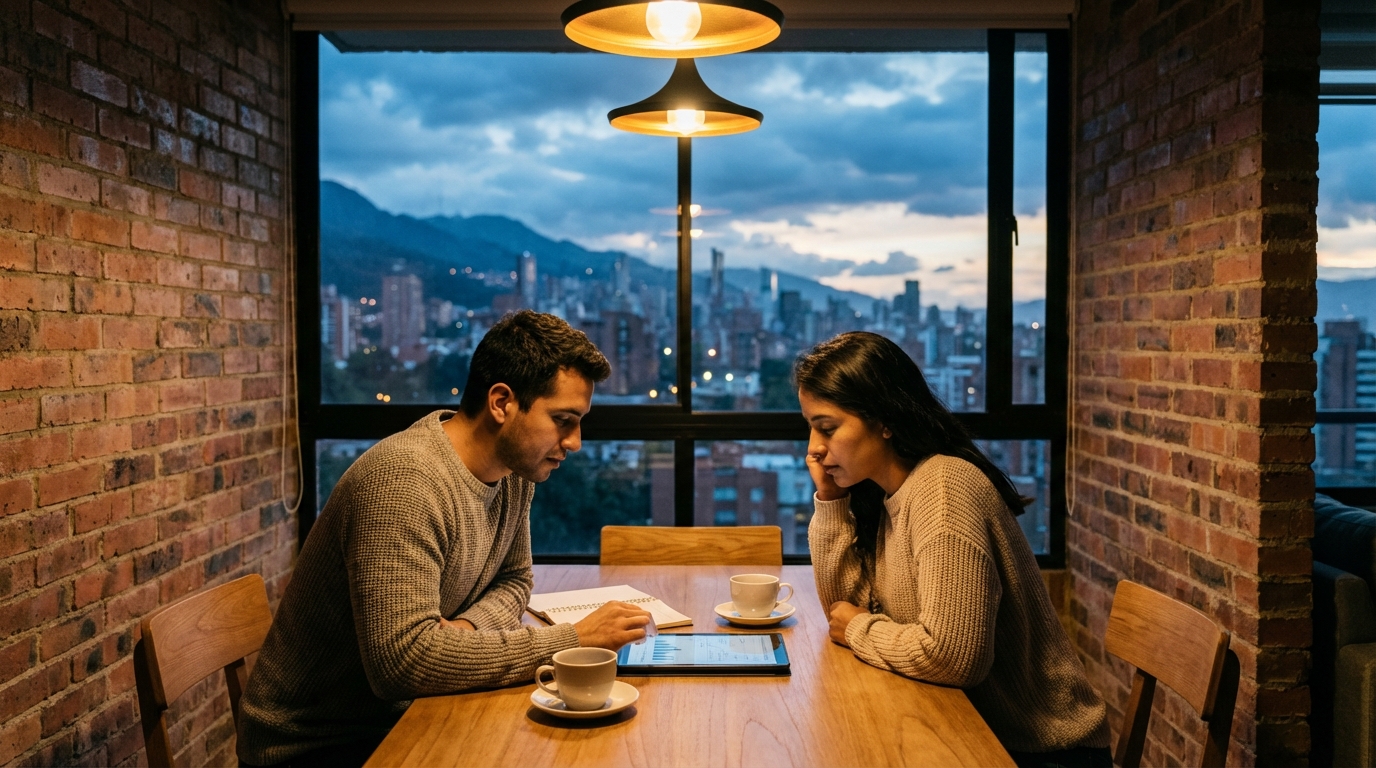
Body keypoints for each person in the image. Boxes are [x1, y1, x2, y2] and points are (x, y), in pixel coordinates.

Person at [237, 311, 652, 768]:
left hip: (408, 715)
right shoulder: (404, 482)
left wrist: (463, 634)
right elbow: (405, 663)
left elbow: (515, 581)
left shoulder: (515, 473)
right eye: (563, 420)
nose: (574, 442)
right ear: (501, 403)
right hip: (321, 746)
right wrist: (568, 640)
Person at [796, 332, 1111, 768]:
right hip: (974, 733)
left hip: (1041, 752)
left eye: (827, 428)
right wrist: (831, 502)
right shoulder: (889, 494)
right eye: (811, 428)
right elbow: (843, 610)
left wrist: (858, 630)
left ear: (884, 419)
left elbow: (952, 657)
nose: (813, 448)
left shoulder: (944, 490)